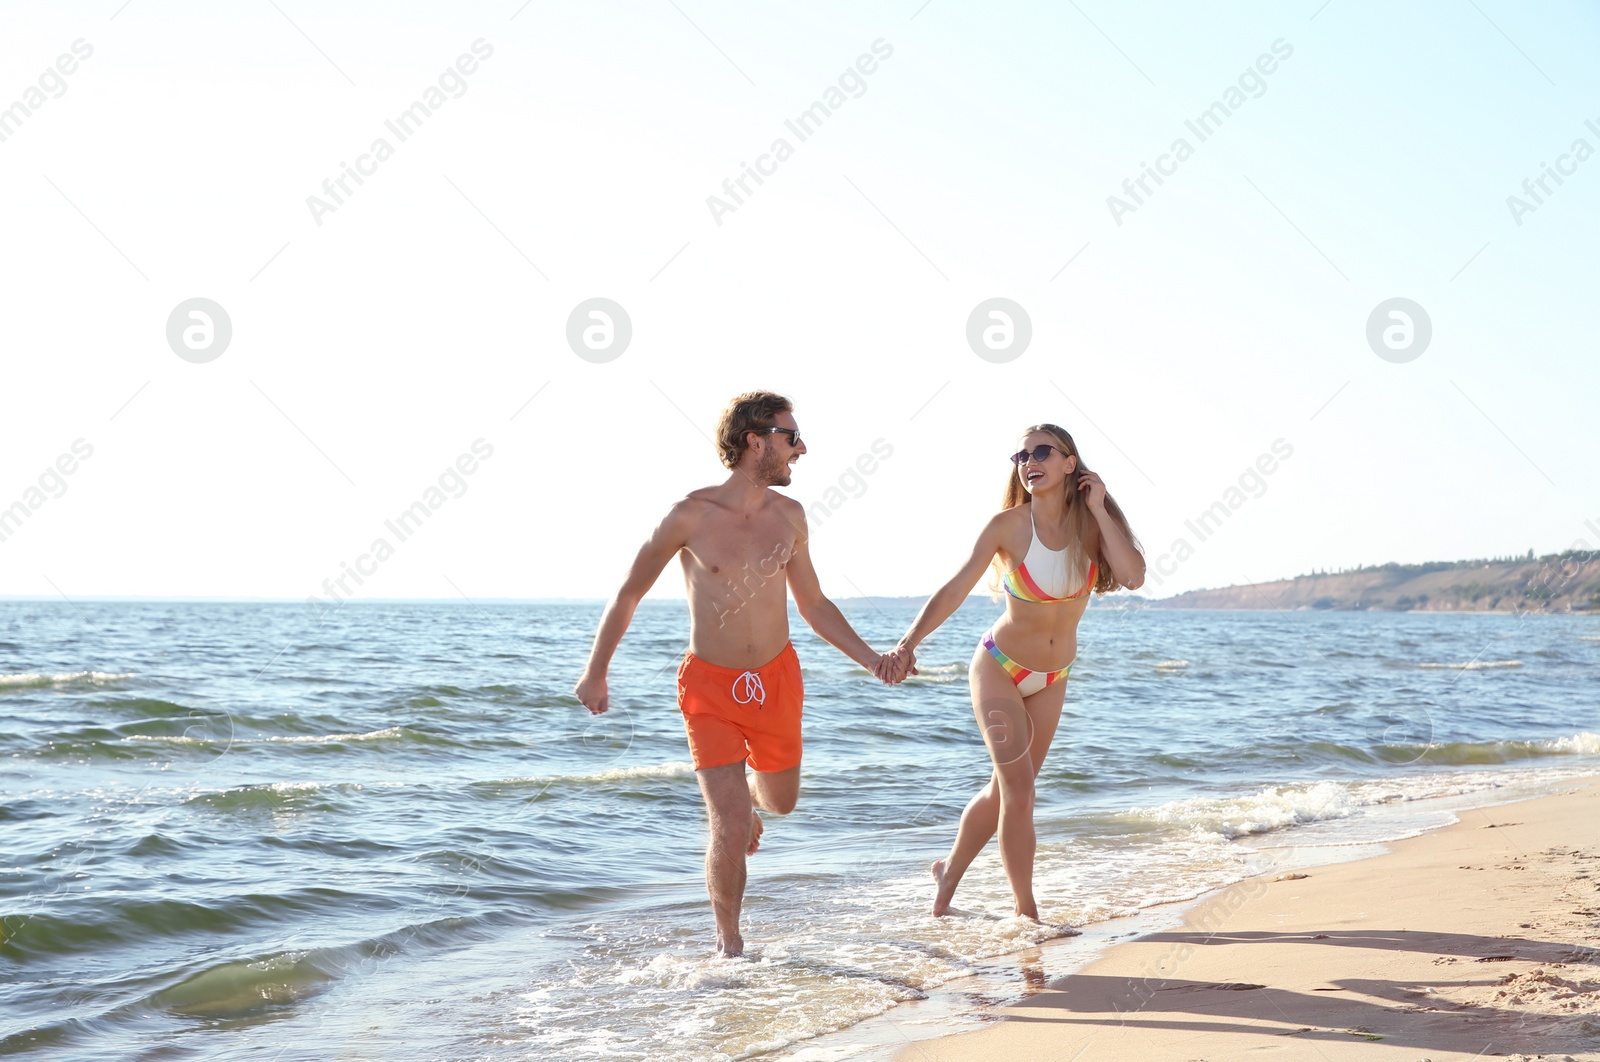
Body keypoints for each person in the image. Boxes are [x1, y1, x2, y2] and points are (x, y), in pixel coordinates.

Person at [574, 391, 908, 957]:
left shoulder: (792, 517)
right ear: (756, 441)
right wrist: (596, 671)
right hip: (709, 685)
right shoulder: (690, 515)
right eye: (791, 436)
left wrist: (872, 658)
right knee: (727, 821)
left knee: (780, 803)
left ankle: (754, 800)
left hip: (776, 679)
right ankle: (729, 948)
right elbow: (630, 592)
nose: (801, 448)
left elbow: (814, 605)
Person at [882, 423, 1143, 921]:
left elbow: (1132, 576)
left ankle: (949, 872)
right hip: (999, 667)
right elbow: (956, 587)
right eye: (1020, 456)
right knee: (1020, 789)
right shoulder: (1008, 527)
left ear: (1071, 462)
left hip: (1053, 676)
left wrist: (1099, 508)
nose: (1028, 462)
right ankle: (1028, 915)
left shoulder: (1092, 524)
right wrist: (907, 643)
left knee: (1007, 789)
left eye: (1041, 451)